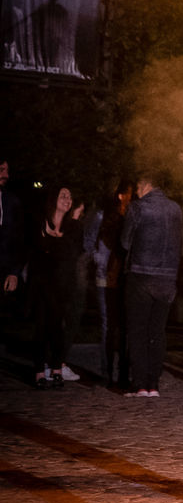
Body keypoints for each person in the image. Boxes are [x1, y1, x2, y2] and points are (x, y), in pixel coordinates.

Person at [120, 171, 183, 398]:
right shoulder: (176, 209)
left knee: (137, 331)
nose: (136, 192)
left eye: (137, 187)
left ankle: (139, 384)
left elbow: (125, 242)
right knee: (157, 331)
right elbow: (180, 243)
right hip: (167, 278)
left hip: (141, 276)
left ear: (145, 185)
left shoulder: (137, 208)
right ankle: (153, 383)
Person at [26, 186, 84, 388]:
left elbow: (72, 252)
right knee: (42, 326)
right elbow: (38, 251)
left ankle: (57, 366)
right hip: (42, 284)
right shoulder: (39, 222)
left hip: (62, 284)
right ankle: (39, 370)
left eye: (70, 196)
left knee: (59, 326)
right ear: (53, 199)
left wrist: (74, 220)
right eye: (63, 195)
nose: (67, 199)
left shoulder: (73, 227)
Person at [95, 180, 133, 385]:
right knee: (110, 326)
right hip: (112, 278)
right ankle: (107, 370)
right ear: (121, 196)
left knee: (123, 326)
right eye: (130, 194)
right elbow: (111, 244)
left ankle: (121, 372)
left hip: (125, 277)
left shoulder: (130, 217)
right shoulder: (112, 218)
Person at [0, 155, 24, 305]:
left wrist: (14, 272)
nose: (6, 175)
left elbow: (18, 239)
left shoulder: (12, 202)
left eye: (7, 171)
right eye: (1, 170)